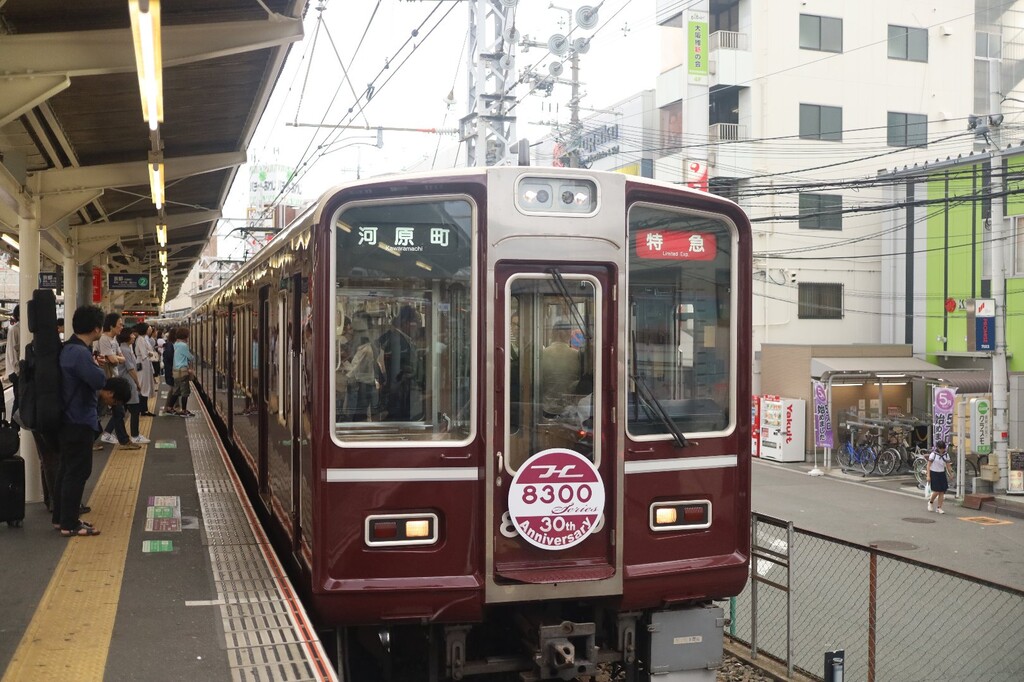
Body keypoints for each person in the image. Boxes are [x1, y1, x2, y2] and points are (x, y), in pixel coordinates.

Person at [51, 304, 132, 537]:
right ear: (96, 329)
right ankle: (70, 523)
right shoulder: (79, 353)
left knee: (66, 470)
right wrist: (97, 366)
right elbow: (98, 379)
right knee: (77, 472)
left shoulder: (69, 349)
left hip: (69, 420)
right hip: (77, 421)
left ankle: (60, 518)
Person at [98, 313, 140, 450]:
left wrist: (115, 357)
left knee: (119, 411)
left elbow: (120, 359)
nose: (122, 326)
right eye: (120, 324)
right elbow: (114, 360)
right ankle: (90, 440)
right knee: (98, 412)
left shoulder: (114, 340)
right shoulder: (104, 339)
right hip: (105, 383)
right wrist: (116, 357)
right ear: (111, 325)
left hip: (113, 381)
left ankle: (123, 440)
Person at [377, 305, 420, 421]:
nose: (417, 327)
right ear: (406, 323)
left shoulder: (391, 337)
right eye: (415, 323)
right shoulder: (397, 341)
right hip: (398, 393)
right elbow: (394, 371)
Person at [540, 319, 581, 418]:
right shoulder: (576, 355)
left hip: (547, 408)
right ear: (568, 334)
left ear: (554, 333)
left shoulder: (542, 354)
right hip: (570, 410)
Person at [345, 313, 378, 421]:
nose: (353, 333)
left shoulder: (366, 347)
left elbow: (352, 371)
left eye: (356, 331)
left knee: (357, 417)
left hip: (362, 386)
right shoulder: (364, 345)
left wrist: (343, 364)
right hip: (362, 384)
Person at [119, 327, 149, 443]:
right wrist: (138, 383)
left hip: (127, 381)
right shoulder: (125, 349)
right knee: (135, 408)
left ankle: (107, 432)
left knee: (121, 410)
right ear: (127, 336)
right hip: (129, 381)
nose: (134, 336)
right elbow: (130, 368)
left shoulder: (126, 348)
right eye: (131, 334)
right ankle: (135, 436)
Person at [165, 327, 195, 417]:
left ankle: (169, 408)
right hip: (182, 371)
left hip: (175, 371)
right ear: (185, 336)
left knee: (176, 391)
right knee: (185, 392)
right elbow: (190, 357)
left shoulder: (176, 344)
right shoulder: (183, 345)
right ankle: (184, 410)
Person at [133, 323, 156, 416]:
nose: (149, 330)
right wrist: (150, 353)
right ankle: (143, 409)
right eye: (148, 328)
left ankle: (144, 409)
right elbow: (144, 353)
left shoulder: (142, 339)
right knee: (143, 386)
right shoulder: (141, 340)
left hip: (145, 363)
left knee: (145, 385)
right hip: (143, 364)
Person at [927, 440, 954, 514]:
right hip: (934, 473)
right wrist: (928, 476)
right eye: (941, 448)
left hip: (942, 473)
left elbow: (948, 465)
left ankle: (939, 507)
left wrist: (950, 474)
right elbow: (928, 465)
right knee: (936, 491)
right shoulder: (933, 454)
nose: (942, 450)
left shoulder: (946, 455)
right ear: (938, 448)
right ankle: (931, 502)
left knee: (942, 491)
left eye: (943, 448)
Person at [5, 305, 20, 418]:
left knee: (20, 398)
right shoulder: (14, 329)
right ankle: (14, 428)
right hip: (15, 372)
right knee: (19, 399)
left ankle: (15, 427)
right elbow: (12, 352)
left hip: (17, 370)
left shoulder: (20, 328)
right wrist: (17, 370)